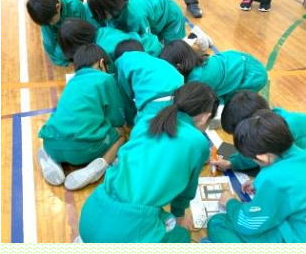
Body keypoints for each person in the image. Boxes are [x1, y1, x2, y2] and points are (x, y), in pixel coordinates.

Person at [79, 82, 216, 242]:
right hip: (125, 228)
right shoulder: (197, 141)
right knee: (182, 237)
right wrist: (180, 217)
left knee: (156, 214)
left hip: (92, 210)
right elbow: (186, 191)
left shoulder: (147, 120)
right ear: (205, 117)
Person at [216, 91, 306, 227]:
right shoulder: (272, 123)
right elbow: (260, 154)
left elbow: (293, 173)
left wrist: (260, 183)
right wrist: (232, 162)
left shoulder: (289, 131)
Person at [37, 43, 126, 190]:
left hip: (51, 144)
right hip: (84, 151)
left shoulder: (72, 81)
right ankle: (98, 168)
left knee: (56, 132)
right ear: (102, 63)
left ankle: (51, 160)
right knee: (121, 135)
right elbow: (116, 119)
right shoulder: (105, 79)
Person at [87, 0, 186, 45]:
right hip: (154, 18)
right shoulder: (111, 7)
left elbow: (149, 44)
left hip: (170, 17)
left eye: (102, 11)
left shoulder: (136, 16)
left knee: (172, 53)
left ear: (111, 4)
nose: (101, 16)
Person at [160, 40, 267, 103]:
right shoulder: (197, 62)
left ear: (178, 66)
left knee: (235, 104)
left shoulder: (197, 79)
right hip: (241, 60)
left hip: (253, 76)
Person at [113, 40, 185, 126]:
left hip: (158, 98)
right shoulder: (152, 60)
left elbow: (126, 98)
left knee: (144, 129)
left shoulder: (122, 61)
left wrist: (130, 122)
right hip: (180, 88)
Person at [26, 0, 88, 67]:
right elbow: (49, 45)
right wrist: (63, 62)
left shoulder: (75, 6)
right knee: (58, 52)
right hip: (65, 38)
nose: (50, 25)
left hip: (77, 34)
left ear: (57, 7)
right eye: (46, 24)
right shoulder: (47, 17)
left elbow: (85, 28)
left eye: (51, 21)